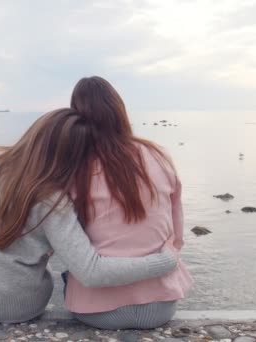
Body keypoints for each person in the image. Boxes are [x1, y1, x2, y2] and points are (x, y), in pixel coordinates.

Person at [0, 108, 179, 323]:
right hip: (20, 308)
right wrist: (163, 262)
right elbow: (92, 272)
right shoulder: (52, 199)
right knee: (70, 277)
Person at [62, 76, 193, 329]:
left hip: (96, 310)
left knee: (67, 276)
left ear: (75, 116)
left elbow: (62, 241)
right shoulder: (158, 154)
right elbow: (177, 237)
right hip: (161, 306)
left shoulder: (74, 167)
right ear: (119, 111)